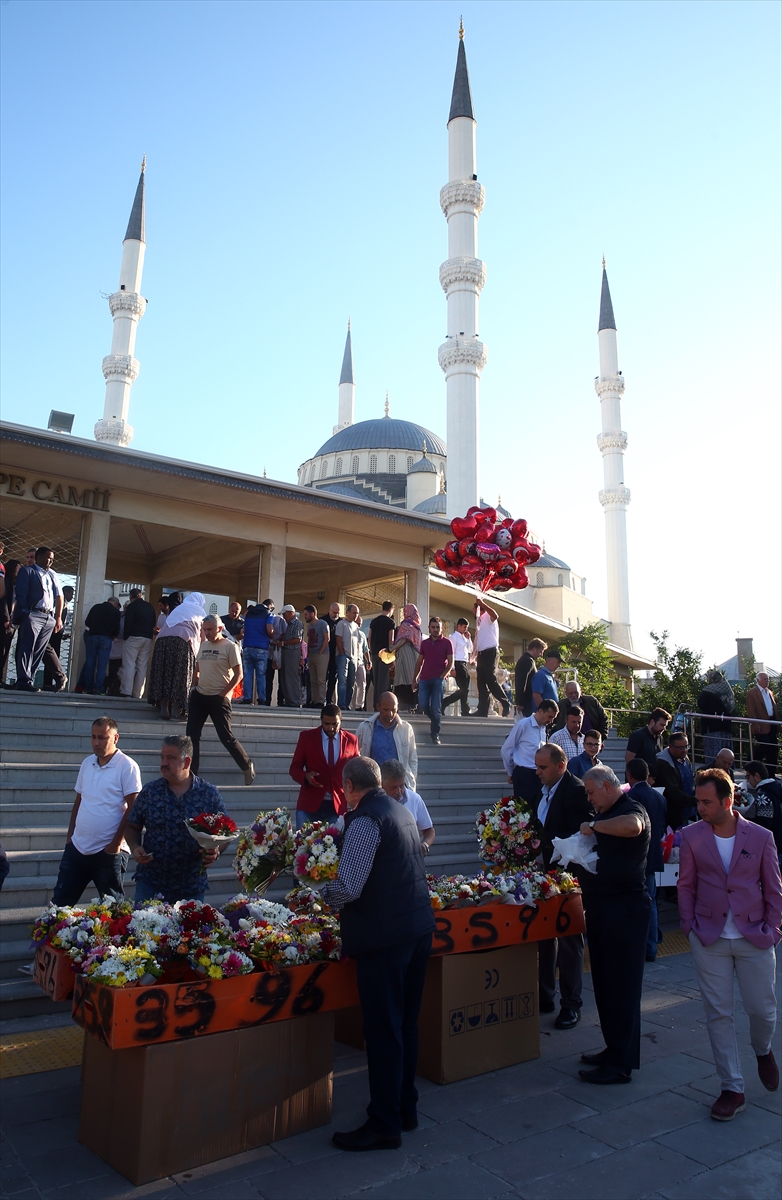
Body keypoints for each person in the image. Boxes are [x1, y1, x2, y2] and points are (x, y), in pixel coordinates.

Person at [323, 757, 435, 1152]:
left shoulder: (365, 820)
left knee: (384, 1029)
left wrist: (319, 896)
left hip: (386, 938)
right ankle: (405, 1108)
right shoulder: (401, 810)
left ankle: (385, 1122)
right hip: (416, 928)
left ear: (350, 788)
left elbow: (350, 885)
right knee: (405, 1024)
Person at [678, 768, 781, 1120]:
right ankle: (731, 1087)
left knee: (762, 1010)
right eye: (698, 801)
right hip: (709, 937)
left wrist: (774, 929)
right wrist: (689, 925)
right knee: (718, 1013)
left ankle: (763, 1049)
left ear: (727, 801)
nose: (700, 808)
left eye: (706, 802)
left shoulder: (761, 836)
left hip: (755, 935)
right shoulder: (691, 836)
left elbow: (774, 887)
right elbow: (686, 885)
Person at [577, 765, 652, 1085]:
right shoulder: (607, 810)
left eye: (592, 793)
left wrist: (595, 825)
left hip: (625, 910)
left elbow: (633, 827)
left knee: (622, 987)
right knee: (606, 985)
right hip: (602, 907)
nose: (590, 800)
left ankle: (621, 1064)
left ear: (609, 786)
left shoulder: (631, 807)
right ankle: (613, 1047)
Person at [126, 735, 228, 903]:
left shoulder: (208, 794)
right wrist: (135, 846)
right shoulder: (150, 791)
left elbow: (225, 831)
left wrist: (216, 850)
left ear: (186, 762)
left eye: (170, 758)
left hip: (191, 886)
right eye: (162, 757)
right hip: (151, 883)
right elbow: (132, 826)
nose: (163, 763)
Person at [51, 716, 141, 905]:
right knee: (59, 905)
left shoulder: (127, 766)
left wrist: (115, 844)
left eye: (102, 737)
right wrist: (70, 837)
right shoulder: (87, 763)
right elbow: (79, 800)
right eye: (93, 737)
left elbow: (134, 808)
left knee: (112, 911)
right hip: (77, 848)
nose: (96, 742)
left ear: (115, 738)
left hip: (107, 852)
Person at [533, 744, 592, 1029]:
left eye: (543, 767)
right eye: (537, 766)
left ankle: (571, 1004)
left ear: (561, 765)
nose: (537, 772)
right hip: (546, 875)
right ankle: (545, 995)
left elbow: (579, 837)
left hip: (569, 878)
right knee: (544, 936)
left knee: (569, 941)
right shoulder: (544, 791)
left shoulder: (576, 791)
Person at [186, 615, 254, 784]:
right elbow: (197, 668)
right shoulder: (204, 645)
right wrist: (193, 688)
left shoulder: (230, 646)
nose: (206, 633)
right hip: (200, 696)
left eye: (210, 630)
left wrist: (223, 694)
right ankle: (192, 774)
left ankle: (246, 765)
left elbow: (239, 675)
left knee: (225, 736)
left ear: (220, 629)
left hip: (219, 698)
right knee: (191, 735)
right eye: (204, 629)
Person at [288, 703, 359, 828]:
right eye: (327, 724)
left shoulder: (351, 740)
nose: (331, 728)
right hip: (309, 804)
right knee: (303, 846)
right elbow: (294, 768)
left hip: (337, 805)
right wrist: (305, 777)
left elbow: (357, 769)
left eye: (335, 724)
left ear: (340, 721)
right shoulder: (307, 737)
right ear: (321, 721)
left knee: (334, 846)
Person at [626, 758, 666, 961]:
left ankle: (643, 947)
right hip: (653, 856)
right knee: (651, 901)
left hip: (636, 857)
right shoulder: (658, 797)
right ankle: (653, 944)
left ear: (629, 775)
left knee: (637, 903)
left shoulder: (630, 796)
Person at [12, 546, 63, 691]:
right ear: (39, 557)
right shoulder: (27, 571)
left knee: (39, 651)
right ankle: (23, 680)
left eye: (52, 559)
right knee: (27, 647)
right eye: (48, 558)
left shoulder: (51, 575)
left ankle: (30, 679)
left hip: (48, 616)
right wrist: (25, 613)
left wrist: (56, 618)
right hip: (33, 614)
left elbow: (58, 596)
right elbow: (21, 594)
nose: (51, 561)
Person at [148, 592, 206, 721]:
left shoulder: (178, 609)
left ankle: (164, 709)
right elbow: (204, 638)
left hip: (162, 642)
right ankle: (176, 711)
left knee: (164, 673)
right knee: (180, 676)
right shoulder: (200, 612)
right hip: (182, 642)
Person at [500, 699, 559, 803]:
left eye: (553, 718)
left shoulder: (543, 728)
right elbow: (506, 749)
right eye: (549, 717)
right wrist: (510, 772)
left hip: (540, 775)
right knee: (526, 811)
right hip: (525, 775)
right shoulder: (523, 725)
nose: (551, 721)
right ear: (540, 711)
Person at [356, 691, 418, 787]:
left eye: (394, 710)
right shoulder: (365, 727)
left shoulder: (406, 728)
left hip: (398, 785)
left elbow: (412, 759)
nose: (390, 713)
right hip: (373, 785)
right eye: (386, 709)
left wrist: (411, 779)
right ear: (378, 707)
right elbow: (356, 753)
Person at [380, 759, 435, 856]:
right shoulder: (374, 803)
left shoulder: (415, 799)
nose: (399, 791)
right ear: (382, 783)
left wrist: (425, 845)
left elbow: (429, 830)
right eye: (393, 788)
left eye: (401, 786)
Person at [413, 616, 454, 746]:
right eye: (433, 627)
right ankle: (436, 720)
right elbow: (419, 662)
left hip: (438, 680)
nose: (435, 629)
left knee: (436, 708)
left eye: (438, 627)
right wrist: (414, 678)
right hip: (424, 679)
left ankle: (435, 734)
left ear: (441, 628)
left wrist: (442, 677)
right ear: (429, 628)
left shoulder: (447, 643)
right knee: (423, 705)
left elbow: (451, 662)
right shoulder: (424, 643)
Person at [472, 598, 511, 717]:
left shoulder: (488, 617)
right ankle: (482, 710)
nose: (473, 612)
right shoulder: (479, 622)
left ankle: (505, 703)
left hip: (490, 652)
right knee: (481, 682)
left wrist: (482, 603)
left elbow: (495, 615)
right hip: (482, 653)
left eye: (474, 609)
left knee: (491, 679)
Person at [743, 761, 782, 866]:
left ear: (756, 775)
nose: (748, 781)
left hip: (776, 845)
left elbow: (764, 824)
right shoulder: (777, 787)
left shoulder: (763, 795)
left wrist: (743, 820)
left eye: (748, 777)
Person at [654, 732, 696, 829]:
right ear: (670, 747)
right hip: (673, 814)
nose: (684, 750)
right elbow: (673, 791)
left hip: (689, 810)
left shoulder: (684, 757)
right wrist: (697, 801)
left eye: (686, 746)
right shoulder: (663, 764)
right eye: (680, 748)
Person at [120, 587, 157, 698]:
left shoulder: (132, 606)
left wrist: (126, 637)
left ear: (131, 597)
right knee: (142, 666)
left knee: (129, 664)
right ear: (140, 595)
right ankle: (138, 693)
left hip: (134, 637)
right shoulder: (150, 607)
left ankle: (126, 691)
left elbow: (128, 622)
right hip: (147, 638)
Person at [82, 595, 121, 694]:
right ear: (115, 604)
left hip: (92, 637)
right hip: (106, 638)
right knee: (102, 665)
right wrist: (112, 636)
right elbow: (117, 629)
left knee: (90, 663)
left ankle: (88, 688)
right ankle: (99, 689)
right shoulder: (115, 612)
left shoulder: (96, 607)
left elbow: (87, 622)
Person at [240, 598, 274, 705]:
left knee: (247, 674)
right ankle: (262, 699)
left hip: (247, 647)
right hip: (261, 648)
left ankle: (247, 698)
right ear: (269, 607)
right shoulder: (268, 614)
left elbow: (243, 629)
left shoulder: (249, 613)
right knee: (261, 675)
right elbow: (269, 630)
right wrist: (271, 636)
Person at [697, 670, 735, 763]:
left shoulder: (708, 690)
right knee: (726, 751)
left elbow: (700, 704)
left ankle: (714, 771)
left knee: (713, 752)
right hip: (725, 725)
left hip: (711, 726)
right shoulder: (727, 688)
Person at [391, 604, 422, 712]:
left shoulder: (406, 624)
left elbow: (402, 640)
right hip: (415, 657)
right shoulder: (417, 626)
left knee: (402, 680)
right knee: (412, 680)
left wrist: (391, 648)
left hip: (405, 656)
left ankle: (404, 706)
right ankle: (413, 706)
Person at [43, 583, 74, 691]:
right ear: (65, 593)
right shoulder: (60, 604)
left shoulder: (64, 604)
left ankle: (49, 682)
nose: (72, 597)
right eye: (71, 594)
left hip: (57, 633)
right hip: (54, 633)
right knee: (52, 657)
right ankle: (48, 683)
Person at [441, 617, 473, 717]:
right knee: (464, 689)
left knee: (465, 688)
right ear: (458, 626)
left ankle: (464, 709)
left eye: (466, 627)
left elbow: (470, 650)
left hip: (464, 663)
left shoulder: (464, 638)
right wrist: (453, 668)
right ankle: (445, 703)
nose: (465, 629)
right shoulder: (454, 637)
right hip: (458, 663)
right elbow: (451, 653)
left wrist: (469, 639)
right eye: (464, 627)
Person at [747, 673, 779, 769]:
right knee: (764, 746)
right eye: (765, 679)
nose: (767, 681)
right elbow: (751, 711)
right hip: (761, 725)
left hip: (771, 723)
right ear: (758, 680)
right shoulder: (752, 693)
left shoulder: (769, 692)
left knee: (774, 749)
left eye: (768, 679)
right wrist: (756, 725)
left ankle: (771, 773)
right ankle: (750, 762)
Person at [625, 709, 671, 773]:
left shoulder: (660, 738)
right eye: (661, 725)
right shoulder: (638, 735)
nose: (664, 729)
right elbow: (629, 760)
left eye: (665, 726)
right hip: (638, 779)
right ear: (652, 722)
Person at [369, 601, 396, 707]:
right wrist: (392, 658)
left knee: (376, 680)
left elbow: (369, 639)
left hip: (375, 653)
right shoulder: (390, 622)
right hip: (385, 654)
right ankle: (382, 705)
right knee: (383, 681)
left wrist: (372, 652)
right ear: (390, 609)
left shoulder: (374, 621)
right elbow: (391, 641)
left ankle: (376, 704)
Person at [303, 605, 330, 706]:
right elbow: (309, 639)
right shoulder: (309, 626)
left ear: (312, 614)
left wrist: (320, 651)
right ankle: (314, 700)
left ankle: (321, 701)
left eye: (306, 614)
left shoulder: (323, 624)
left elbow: (327, 638)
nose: (305, 616)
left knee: (321, 679)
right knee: (313, 679)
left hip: (322, 655)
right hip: (312, 654)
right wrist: (308, 653)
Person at [335, 604, 360, 710]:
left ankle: (347, 704)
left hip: (353, 658)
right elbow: (338, 639)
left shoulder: (356, 626)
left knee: (351, 682)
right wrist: (342, 653)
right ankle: (341, 704)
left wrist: (357, 657)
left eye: (357, 613)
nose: (356, 615)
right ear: (348, 613)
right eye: (354, 613)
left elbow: (358, 643)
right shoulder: (341, 624)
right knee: (342, 681)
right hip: (343, 656)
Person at [515, 638, 547, 717]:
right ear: (534, 649)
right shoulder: (527, 661)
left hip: (526, 701)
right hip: (526, 702)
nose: (541, 655)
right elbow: (521, 681)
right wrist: (520, 702)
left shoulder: (527, 660)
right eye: (540, 651)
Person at [0, 559, 20, 684]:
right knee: (2, 650)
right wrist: (6, 618)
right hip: (4, 622)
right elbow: (3, 602)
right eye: (18, 569)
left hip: (8, 621)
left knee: (4, 651)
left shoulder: (12, 585)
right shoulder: (6, 584)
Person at [280, 604, 304, 707]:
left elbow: (297, 639)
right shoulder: (289, 624)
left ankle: (294, 701)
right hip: (286, 652)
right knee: (285, 677)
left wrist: (283, 643)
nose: (284, 617)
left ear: (291, 613)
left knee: (292, 677)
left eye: (285, 614)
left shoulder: (297, 624)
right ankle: (289, 700)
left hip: (293, 652)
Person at [265, 605, 287, 707]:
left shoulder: (279, 620)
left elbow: (285, 634)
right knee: (268, 679)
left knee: (282, 679)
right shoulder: (263, 620)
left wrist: (278, 641)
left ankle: (280, 701)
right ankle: (266, 701)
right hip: (268, 654)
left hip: (281, 652)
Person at [106, 599, 125, 695]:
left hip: (121, 645)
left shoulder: (121, 616)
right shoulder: (118, 615)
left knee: (120, 671)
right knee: (112, 670)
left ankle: (116, 689)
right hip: (114, 644)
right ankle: (111, 689)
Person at [352, 615, 371, 711]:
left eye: (360, 624)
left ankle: (359, 706)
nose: (359, 625)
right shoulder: (349, 632)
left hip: (360, 662)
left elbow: (365, 649)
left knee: (362, 683)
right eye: (357, 623)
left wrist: (369, 661)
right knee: (349, 684)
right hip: (350, 660)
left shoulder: (362, 635)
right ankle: (347, 704)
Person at [325, 602, 342, 705]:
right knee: (322, 678)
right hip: (324, 653)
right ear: (329, 610)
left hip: (336, 655)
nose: (336, 615)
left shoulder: (341, 622)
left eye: (338, 613)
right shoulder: (323, 621)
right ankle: (319, 700)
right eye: (334, 612)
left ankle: (329, 700)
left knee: (333, 678)